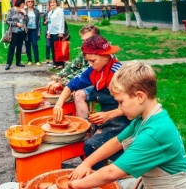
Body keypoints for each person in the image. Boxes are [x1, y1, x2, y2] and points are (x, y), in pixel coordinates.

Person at [68, 61, 186, 189]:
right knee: (116, 188)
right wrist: (86, 164)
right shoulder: (143, 118)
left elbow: (112, 173)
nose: (119, 108)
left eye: (120, 102)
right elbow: (116, 142)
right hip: (152, 188)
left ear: (139, 96)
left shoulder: (155, 132)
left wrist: (75, 186)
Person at [53, 35, 130, 169]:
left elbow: (133, 105)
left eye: (93, 61)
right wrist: (58, 104)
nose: (90, 64)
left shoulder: (119, 73)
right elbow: (72, 84)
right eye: (88, 61)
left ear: (106, 56)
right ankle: (97, 167)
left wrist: (109, 115)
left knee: (92, 145)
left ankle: (102, 176)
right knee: (86, 138)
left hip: (126, 117)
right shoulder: (93, 70)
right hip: (107, 113)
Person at [46, 24, 100, 94]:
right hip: (88, 80)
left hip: (102, 85)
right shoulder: (86, 50)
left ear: (98, 39)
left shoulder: (101, 52)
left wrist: (62, 82)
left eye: (88, 40)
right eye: (83, 40)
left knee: (76, 94)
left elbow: (85, 71)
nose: (85, 43)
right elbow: (72, 66)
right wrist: (57, 77)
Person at [5, 0, 28, 70]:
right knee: (12, 47)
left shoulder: (23, 11)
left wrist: (25, 14)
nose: (22, 7)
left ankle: (18, 62)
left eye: (23, 6)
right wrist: (16, 24)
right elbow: (7, 21)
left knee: (19, 47)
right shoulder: (11, 10)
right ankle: (8, 63)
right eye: (22, 5)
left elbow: (27, 21)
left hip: (21, 32)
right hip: (13, 32)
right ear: (18, 4)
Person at [46, 0, 65, 69]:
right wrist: (48, 32)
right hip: (52, 33)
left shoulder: (59, 10)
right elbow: (49, 23)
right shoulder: (50, 12)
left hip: (58, 32)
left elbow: (61, 21)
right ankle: (55, 63)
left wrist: (61, 32)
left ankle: (60, 64)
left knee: (58, 49)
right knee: (53, 48)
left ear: (56, 3)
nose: (52, 4)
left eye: (54, 2)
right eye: (51, 2)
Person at [24, 0, 41, 66]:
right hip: (26, 30)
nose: (30, 3)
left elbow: (39, 22)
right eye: (29, 1)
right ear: (26, 3)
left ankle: (37, 60)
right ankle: (29, 60)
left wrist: (39, 31)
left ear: (33, 2)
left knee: (34, 44)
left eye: (31, 1)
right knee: (27, 45)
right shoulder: (24, 10)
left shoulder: (36, 10)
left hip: (34, 30)